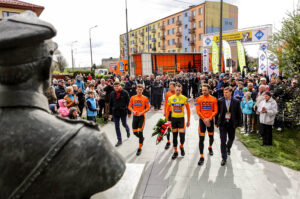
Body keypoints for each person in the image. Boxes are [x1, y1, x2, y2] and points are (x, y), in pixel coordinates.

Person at [215, 87, 242, 166]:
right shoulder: (220, 101)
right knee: (222, 140)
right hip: (223, 124)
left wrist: (240, 124)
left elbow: (239, 113)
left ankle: (228, 147)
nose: (225, 94)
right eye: (224, 92)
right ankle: (224, 157)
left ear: (231, 93)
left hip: (232, 123)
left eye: (226, 92)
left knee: (231, 138)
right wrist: (216, 122)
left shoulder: (236, 102)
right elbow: (217, 113)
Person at [166, 83, 191, 160]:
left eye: (179, 90)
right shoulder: (170, 98)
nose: (178, 91)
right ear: (175, 89)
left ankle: (181, 146)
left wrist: (188, 120)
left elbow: (188, 109)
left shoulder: (184, 98)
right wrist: (167, 119)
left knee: (182, 136)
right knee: (174, 136)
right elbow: (167, 108)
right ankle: (175, 151)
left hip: (181, 119)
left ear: (181, 90)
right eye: (177, 90)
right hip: (173, 119)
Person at [195, 84, 218, 166]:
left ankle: (210, 147)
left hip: (210, 120)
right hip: (202, 121)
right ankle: (201, 156)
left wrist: (210, 118)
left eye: (205, 90)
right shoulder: (198, 99)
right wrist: (204, 119)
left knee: (211, 137)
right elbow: (198, 111)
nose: (203, 91)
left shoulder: (214, 99)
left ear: (209, 90)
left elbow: (215, 110)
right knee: (201, 138)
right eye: (202, 90)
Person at [128, 84, 150, 156]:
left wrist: (142, 112)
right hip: (135, 116)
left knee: (140, 132)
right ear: (136, 90)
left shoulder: (145, 98)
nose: (139, 91)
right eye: (138, 89)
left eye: (141, 90)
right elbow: (129, 106)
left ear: (142, 90)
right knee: (134, 132)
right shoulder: (133, 97)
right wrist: (133, 111)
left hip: (141, 117)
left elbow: (148, 108)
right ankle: (142, 138)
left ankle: (139, 148)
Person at [110, 82, 131, 147]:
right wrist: (110, 113)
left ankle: (127, 130)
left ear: (120, 86)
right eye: (115, 87)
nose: (116, 88)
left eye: (117, 86)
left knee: (124, 123)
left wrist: (129, 112)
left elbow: (128, 103)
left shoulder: (125, 93)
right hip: (115, 112)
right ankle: (119, 140)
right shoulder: (112, 93)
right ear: (114, 87)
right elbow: (110, 104)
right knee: (117, 126)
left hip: (123, 111)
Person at [164, 81, 176, 150]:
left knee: (174, 128)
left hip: (175, 113)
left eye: (172, 87)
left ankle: (174, 141)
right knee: (168, 128)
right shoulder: (167, 93)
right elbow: (166, 103)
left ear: (174, 87)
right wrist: (165, 112)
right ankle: (168, 141)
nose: (170, 88)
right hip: (169, 113)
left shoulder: (177, 93)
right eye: (170, 87)